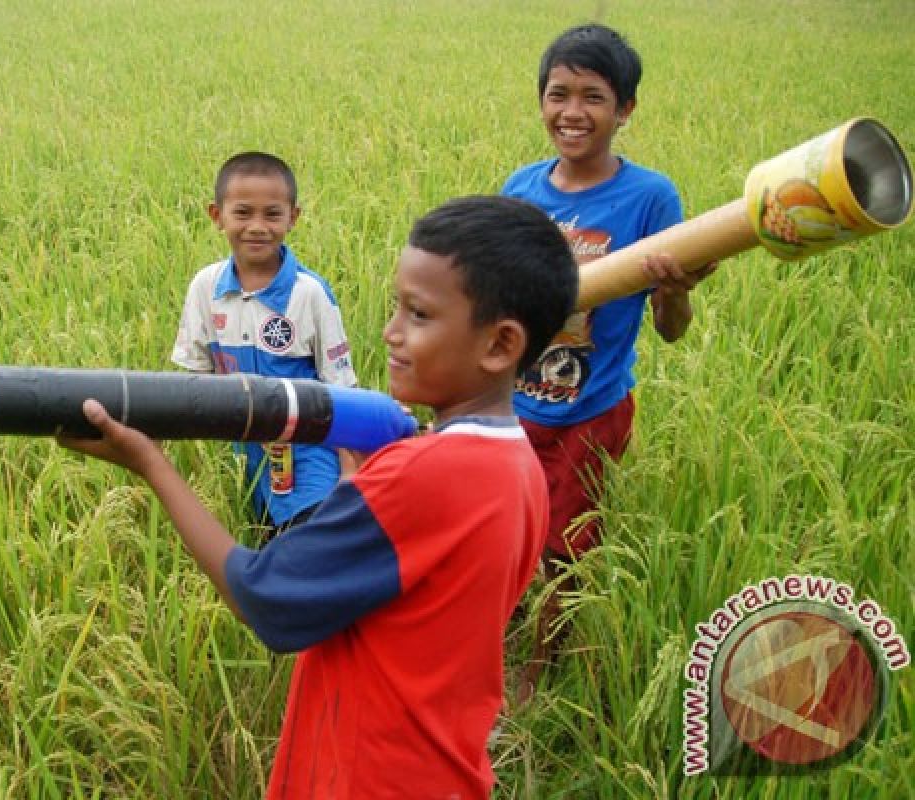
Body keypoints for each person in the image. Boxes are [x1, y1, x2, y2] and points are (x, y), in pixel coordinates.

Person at [60, 195, 578, 798]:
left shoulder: (425, 474)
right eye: (396, 307)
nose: (390, 332)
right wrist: (357, 490)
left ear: (499, 345)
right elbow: (407, 591)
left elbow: (267, 598)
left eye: (418, 314)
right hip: (438, 771)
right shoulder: (516, 465)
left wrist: (151, 464)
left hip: (367, 777)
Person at [499, 23, 718, 703]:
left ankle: (539, 666)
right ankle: (490, 631)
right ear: (540, 100)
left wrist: (676, 289)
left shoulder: (652, 199)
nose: (572, 112)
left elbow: (672, 330)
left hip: (589, 411)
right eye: (558, 93)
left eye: (593, 97)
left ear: (624, 109)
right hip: (510, 405)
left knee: (565, 546)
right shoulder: (522, 187)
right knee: (502, 528)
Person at [171, 151, 357, 540]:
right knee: (256, 544)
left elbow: (340, 390)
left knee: (309, 549)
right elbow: (196, 381)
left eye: (272, 214)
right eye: (243, 213)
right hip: (242, 458)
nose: (257, 227)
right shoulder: (206, 287)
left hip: (307, 455)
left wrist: (350, 474)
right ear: (216, 215)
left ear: (293, 217)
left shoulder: (309, 295)